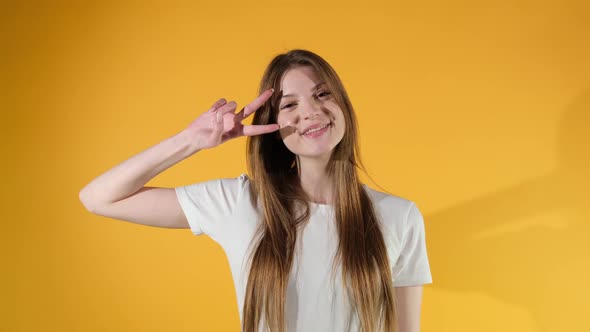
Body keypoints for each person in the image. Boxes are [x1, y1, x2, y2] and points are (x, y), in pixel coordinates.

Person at [79, 49, 432, 332]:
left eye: (322, 94)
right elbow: (99, 198)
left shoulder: (400, 216)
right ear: (273, 127)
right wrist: (191, 141)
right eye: (290, 104)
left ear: (344, 107)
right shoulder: (239, 203)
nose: (310, 111)